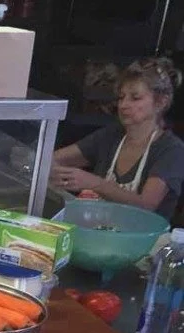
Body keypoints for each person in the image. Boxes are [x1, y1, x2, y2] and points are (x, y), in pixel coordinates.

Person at [51, 57, 184, 220]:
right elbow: (55, 160)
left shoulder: (171, 149)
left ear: (161, 102)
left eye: (135, 98)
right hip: (100, 232)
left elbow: (146, 205)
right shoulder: (111, 136)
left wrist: (95, 183)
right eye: (121, 97)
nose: (123, 105)